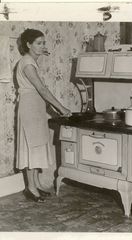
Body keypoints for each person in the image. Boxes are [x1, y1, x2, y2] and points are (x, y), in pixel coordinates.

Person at [16, 28, 72, 202]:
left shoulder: (31, 60)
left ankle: (36, 185)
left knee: (36, 146)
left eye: (43, 43)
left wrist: (40, 55)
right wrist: (62, 108)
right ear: (28, 44)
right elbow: (41, 89)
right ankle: (31, 188)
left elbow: (39, 89)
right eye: (38, 43)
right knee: (31, 147)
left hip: (36, 107)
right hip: (30, 108)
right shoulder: (27, 62)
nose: (42, 46)